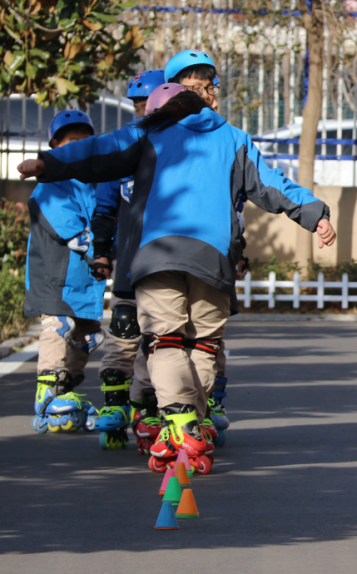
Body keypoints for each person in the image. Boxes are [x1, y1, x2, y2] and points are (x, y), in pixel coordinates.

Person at [17, 87, 337, 475]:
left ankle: (180, 421)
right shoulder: (234, 138)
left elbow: (100, 150)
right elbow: (272, 185)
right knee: (203, 343)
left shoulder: (149, 132)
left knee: (164, 339)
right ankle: (195, 425)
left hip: (158, 253)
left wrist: (49, 163)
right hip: (214, 256)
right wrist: (314, 214)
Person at [90, 69, 167, 451]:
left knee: (159, 335)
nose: (141, 112)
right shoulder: (122, 146)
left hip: (166, 258)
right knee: (124, 326)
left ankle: (147, 404)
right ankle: (115, 402)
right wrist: (101, 251)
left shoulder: (176, 147)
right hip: (128, 255)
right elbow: (105, 206)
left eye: (147, 105)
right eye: (136, 105)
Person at [26, 110, 107, 435]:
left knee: (86, 335)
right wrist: (94, 246)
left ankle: (65, 388)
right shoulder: (51, 182)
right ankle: (47, 391)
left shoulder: (95, 182)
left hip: (86, 280)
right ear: (55, 145)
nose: (79, 147)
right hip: (56, 275)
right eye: (72, 141)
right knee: (58, 326)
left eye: (85, 141)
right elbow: (66, 223)